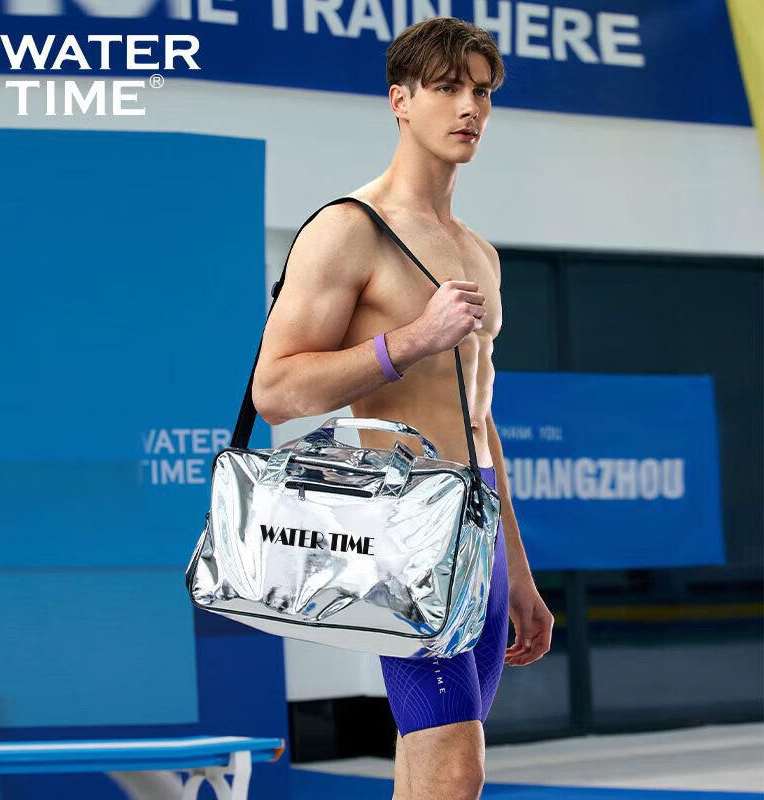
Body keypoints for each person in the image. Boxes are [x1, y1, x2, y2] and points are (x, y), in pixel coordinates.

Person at [252, 16, 554, 800]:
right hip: (405, 526)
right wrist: (412, 340)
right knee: (456, 767)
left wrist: (519, 572)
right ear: (400, 100)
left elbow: (479, 419)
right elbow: (275, 390)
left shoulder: (478, 251)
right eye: (447, 88)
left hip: (478, 524)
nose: (470, 107)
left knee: (429, 769)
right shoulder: (349, 230)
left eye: (481, 91)